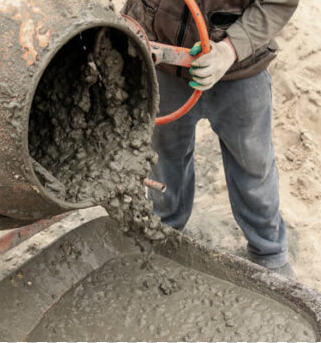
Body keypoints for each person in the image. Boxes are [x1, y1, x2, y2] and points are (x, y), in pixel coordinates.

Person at [122, 0, 299, 278]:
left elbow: (279, 3)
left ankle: (268, 251)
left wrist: (231, 49)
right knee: (165, 159)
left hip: (240, 72)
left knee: (253, 164)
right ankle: (166, 232)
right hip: (163, 66)